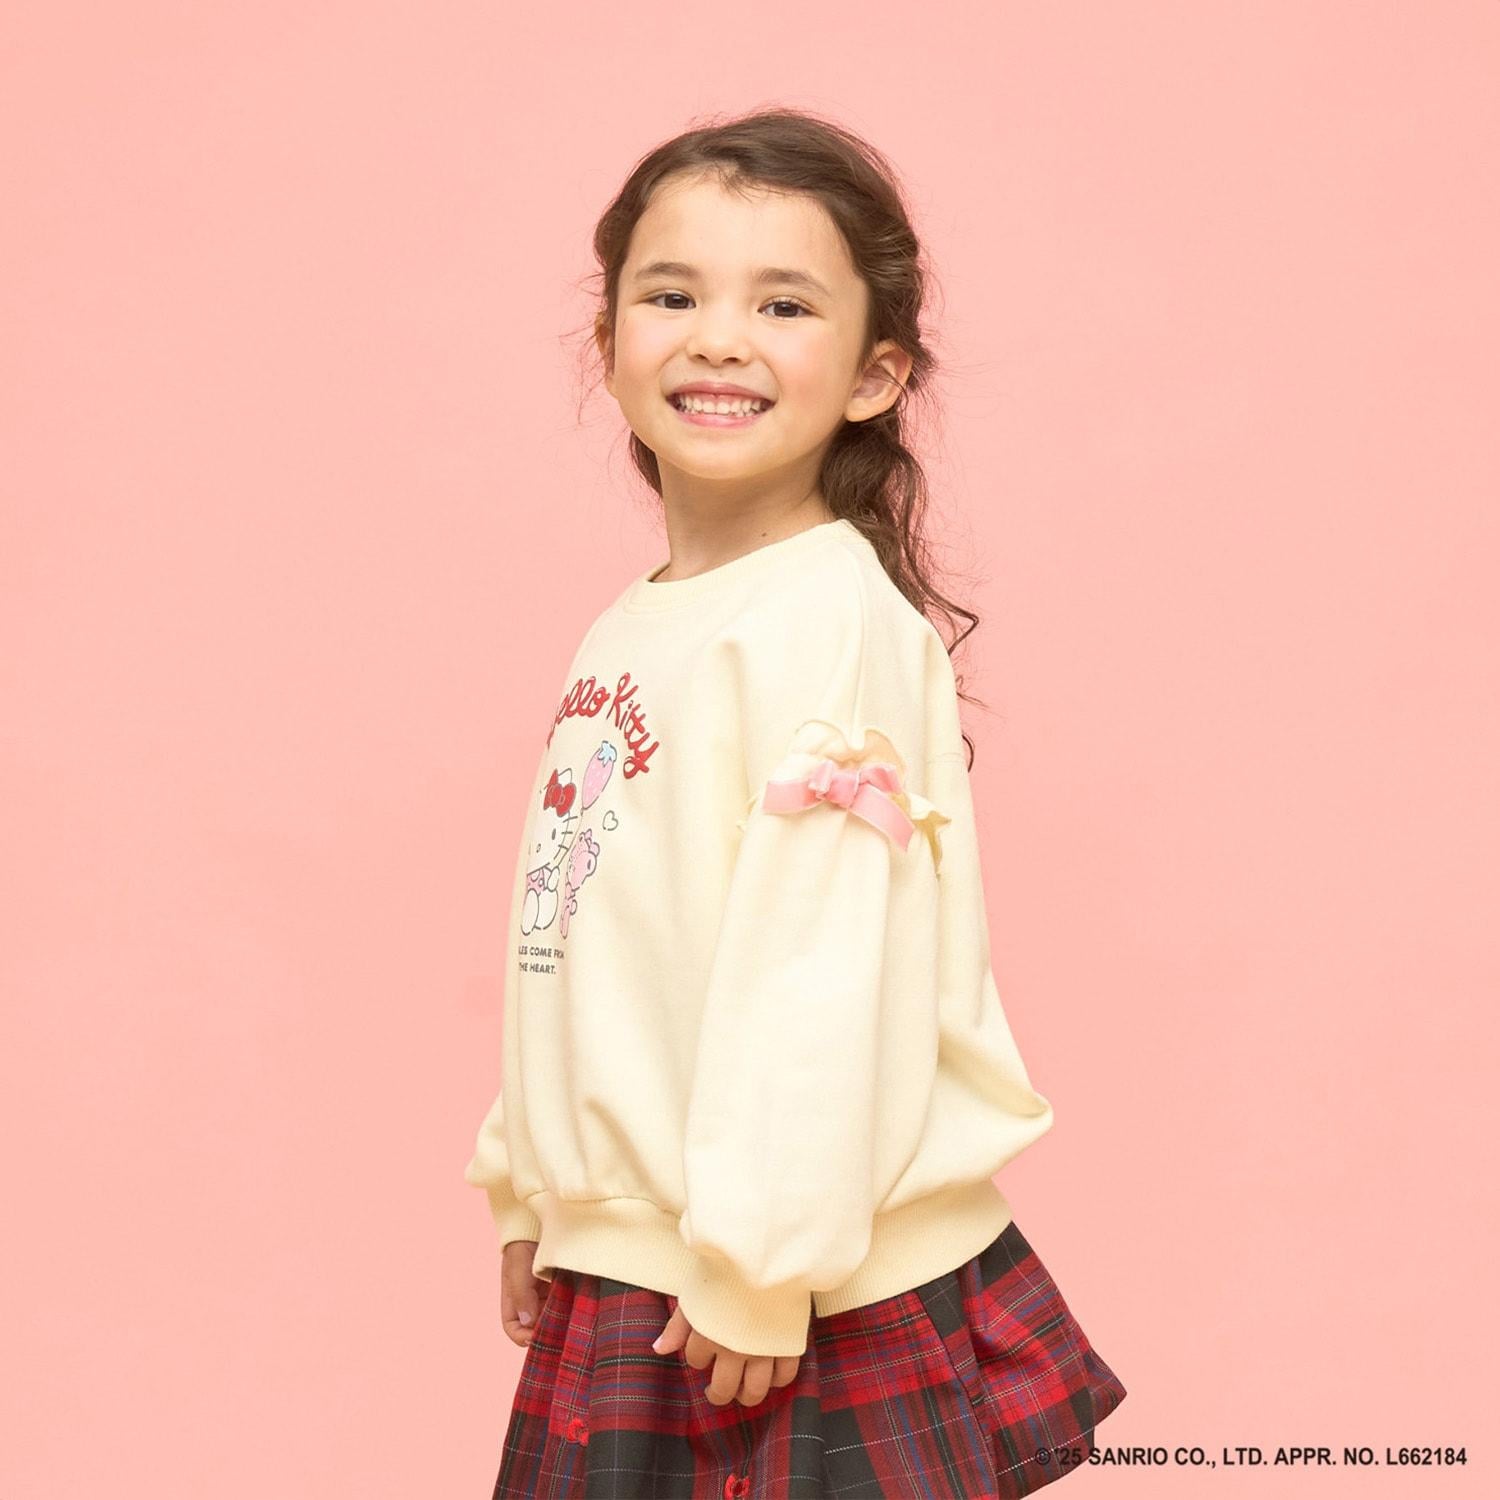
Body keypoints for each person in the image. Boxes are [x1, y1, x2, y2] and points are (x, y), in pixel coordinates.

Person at [463, 106, 1127, 1499]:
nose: (719, 338)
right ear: (608, 340)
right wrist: (537, 1186)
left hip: (777, 1285)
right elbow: (586, 933)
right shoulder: (632, 625)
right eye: (673, 295)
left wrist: (762, 1264)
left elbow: (815, 971)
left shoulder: (830, 618)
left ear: (877, 375)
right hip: (653, 1258)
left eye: (782, 304)